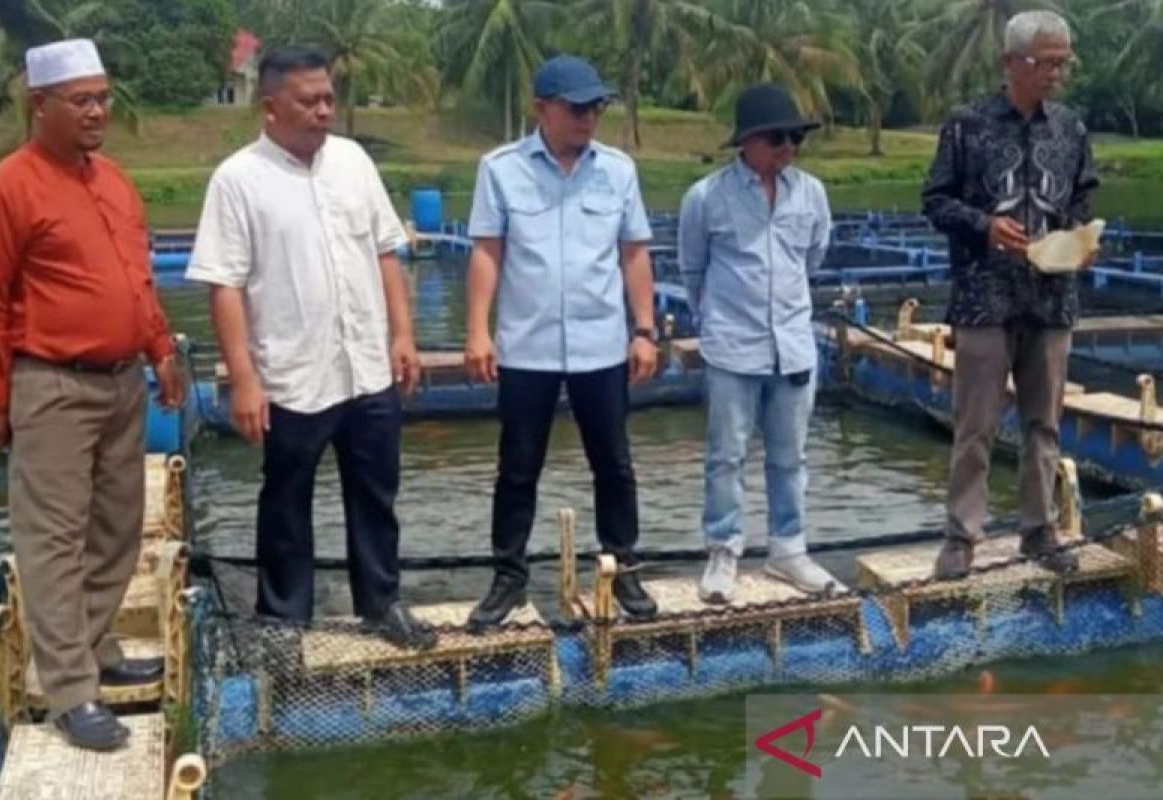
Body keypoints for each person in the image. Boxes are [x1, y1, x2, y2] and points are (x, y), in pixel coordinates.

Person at [0, 39, 184, 751]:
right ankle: (70, 691)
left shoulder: (115, 181)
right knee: (53, 537)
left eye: (103, 98)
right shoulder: (5, 189)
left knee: (118, 525)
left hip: (123, 380)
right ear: (40, 106)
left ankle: (94, 651)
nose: (98, 112)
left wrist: (161, 349)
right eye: (81, 101)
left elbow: (137, 277)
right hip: (50, 383)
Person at [185, 45, 435, 649]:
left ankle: (382, 603)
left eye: (329, 97)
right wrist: (243, 378)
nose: (324, 110)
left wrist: (403, 336)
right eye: (309, 100)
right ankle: (283, 619)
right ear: (270, 107)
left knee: (377, 493)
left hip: (366, 367)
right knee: (286, 499)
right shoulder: (238, 179)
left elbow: (385, 251)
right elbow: (226, 284)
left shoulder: (352, 162)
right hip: (294, 374)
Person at [464, 55, 658, 630]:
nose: (588, 118)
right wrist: (477, 330)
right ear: (541, 108)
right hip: (527, 347)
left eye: (595, 107)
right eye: (576, 108)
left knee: (615, 465)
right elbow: (487, 252)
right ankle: (508, 576)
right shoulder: (500, 169)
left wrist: (643, 330)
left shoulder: (618, 171)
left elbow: (634, 252)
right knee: (518, 467)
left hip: (602, 344)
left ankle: (622, 566)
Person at [925, 11, 1099, 579]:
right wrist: (983, 225)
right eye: (1046, 62)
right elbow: (935, 201)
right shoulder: (967, 124)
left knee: (1043, 422)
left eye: (1061, 62)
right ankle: (962, 535)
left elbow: (1080, 198)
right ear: (1012, 63)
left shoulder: (1070, 128)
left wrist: (1080, 239)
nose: (1056, 73)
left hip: (1051, 298)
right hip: (984, 297)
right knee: (975, 423)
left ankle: (1038, 529)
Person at [678, 84, 844, 603]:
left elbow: (813, 258)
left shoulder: (811, 193)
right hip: (732, 345)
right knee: (725, 455)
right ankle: (724, 551)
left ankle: (788, 549)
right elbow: (692, 267)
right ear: (747, 141)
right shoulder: (706, 197)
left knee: (790, 456)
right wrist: (717, 320)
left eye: (795, 137)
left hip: (793, 343)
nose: (787, 147)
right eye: (776, 137)